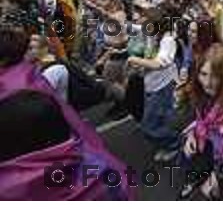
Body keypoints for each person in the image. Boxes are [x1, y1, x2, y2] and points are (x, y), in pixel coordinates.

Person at [0, 19, 133, 200]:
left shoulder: (42, 75)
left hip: (52, 125)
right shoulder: (32, 75)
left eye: (33, 47)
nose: (28, 52)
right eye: (27, 48)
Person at [179, 43, 223, 199]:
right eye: (203, 74)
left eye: (215, 76)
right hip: (200, 148)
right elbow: (197, 119)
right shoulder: (199, 91)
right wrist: (191, 135)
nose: (208, 82)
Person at [127, 8, 179, 163]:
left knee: (149, 125)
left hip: (161, 86)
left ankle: (174, 144)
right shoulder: (151, 33)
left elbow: (158, 63)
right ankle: (167, 144)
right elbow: (127, 26)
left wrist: (135, 61)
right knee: (159, 118)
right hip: (150, 84)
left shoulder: (167, 40)